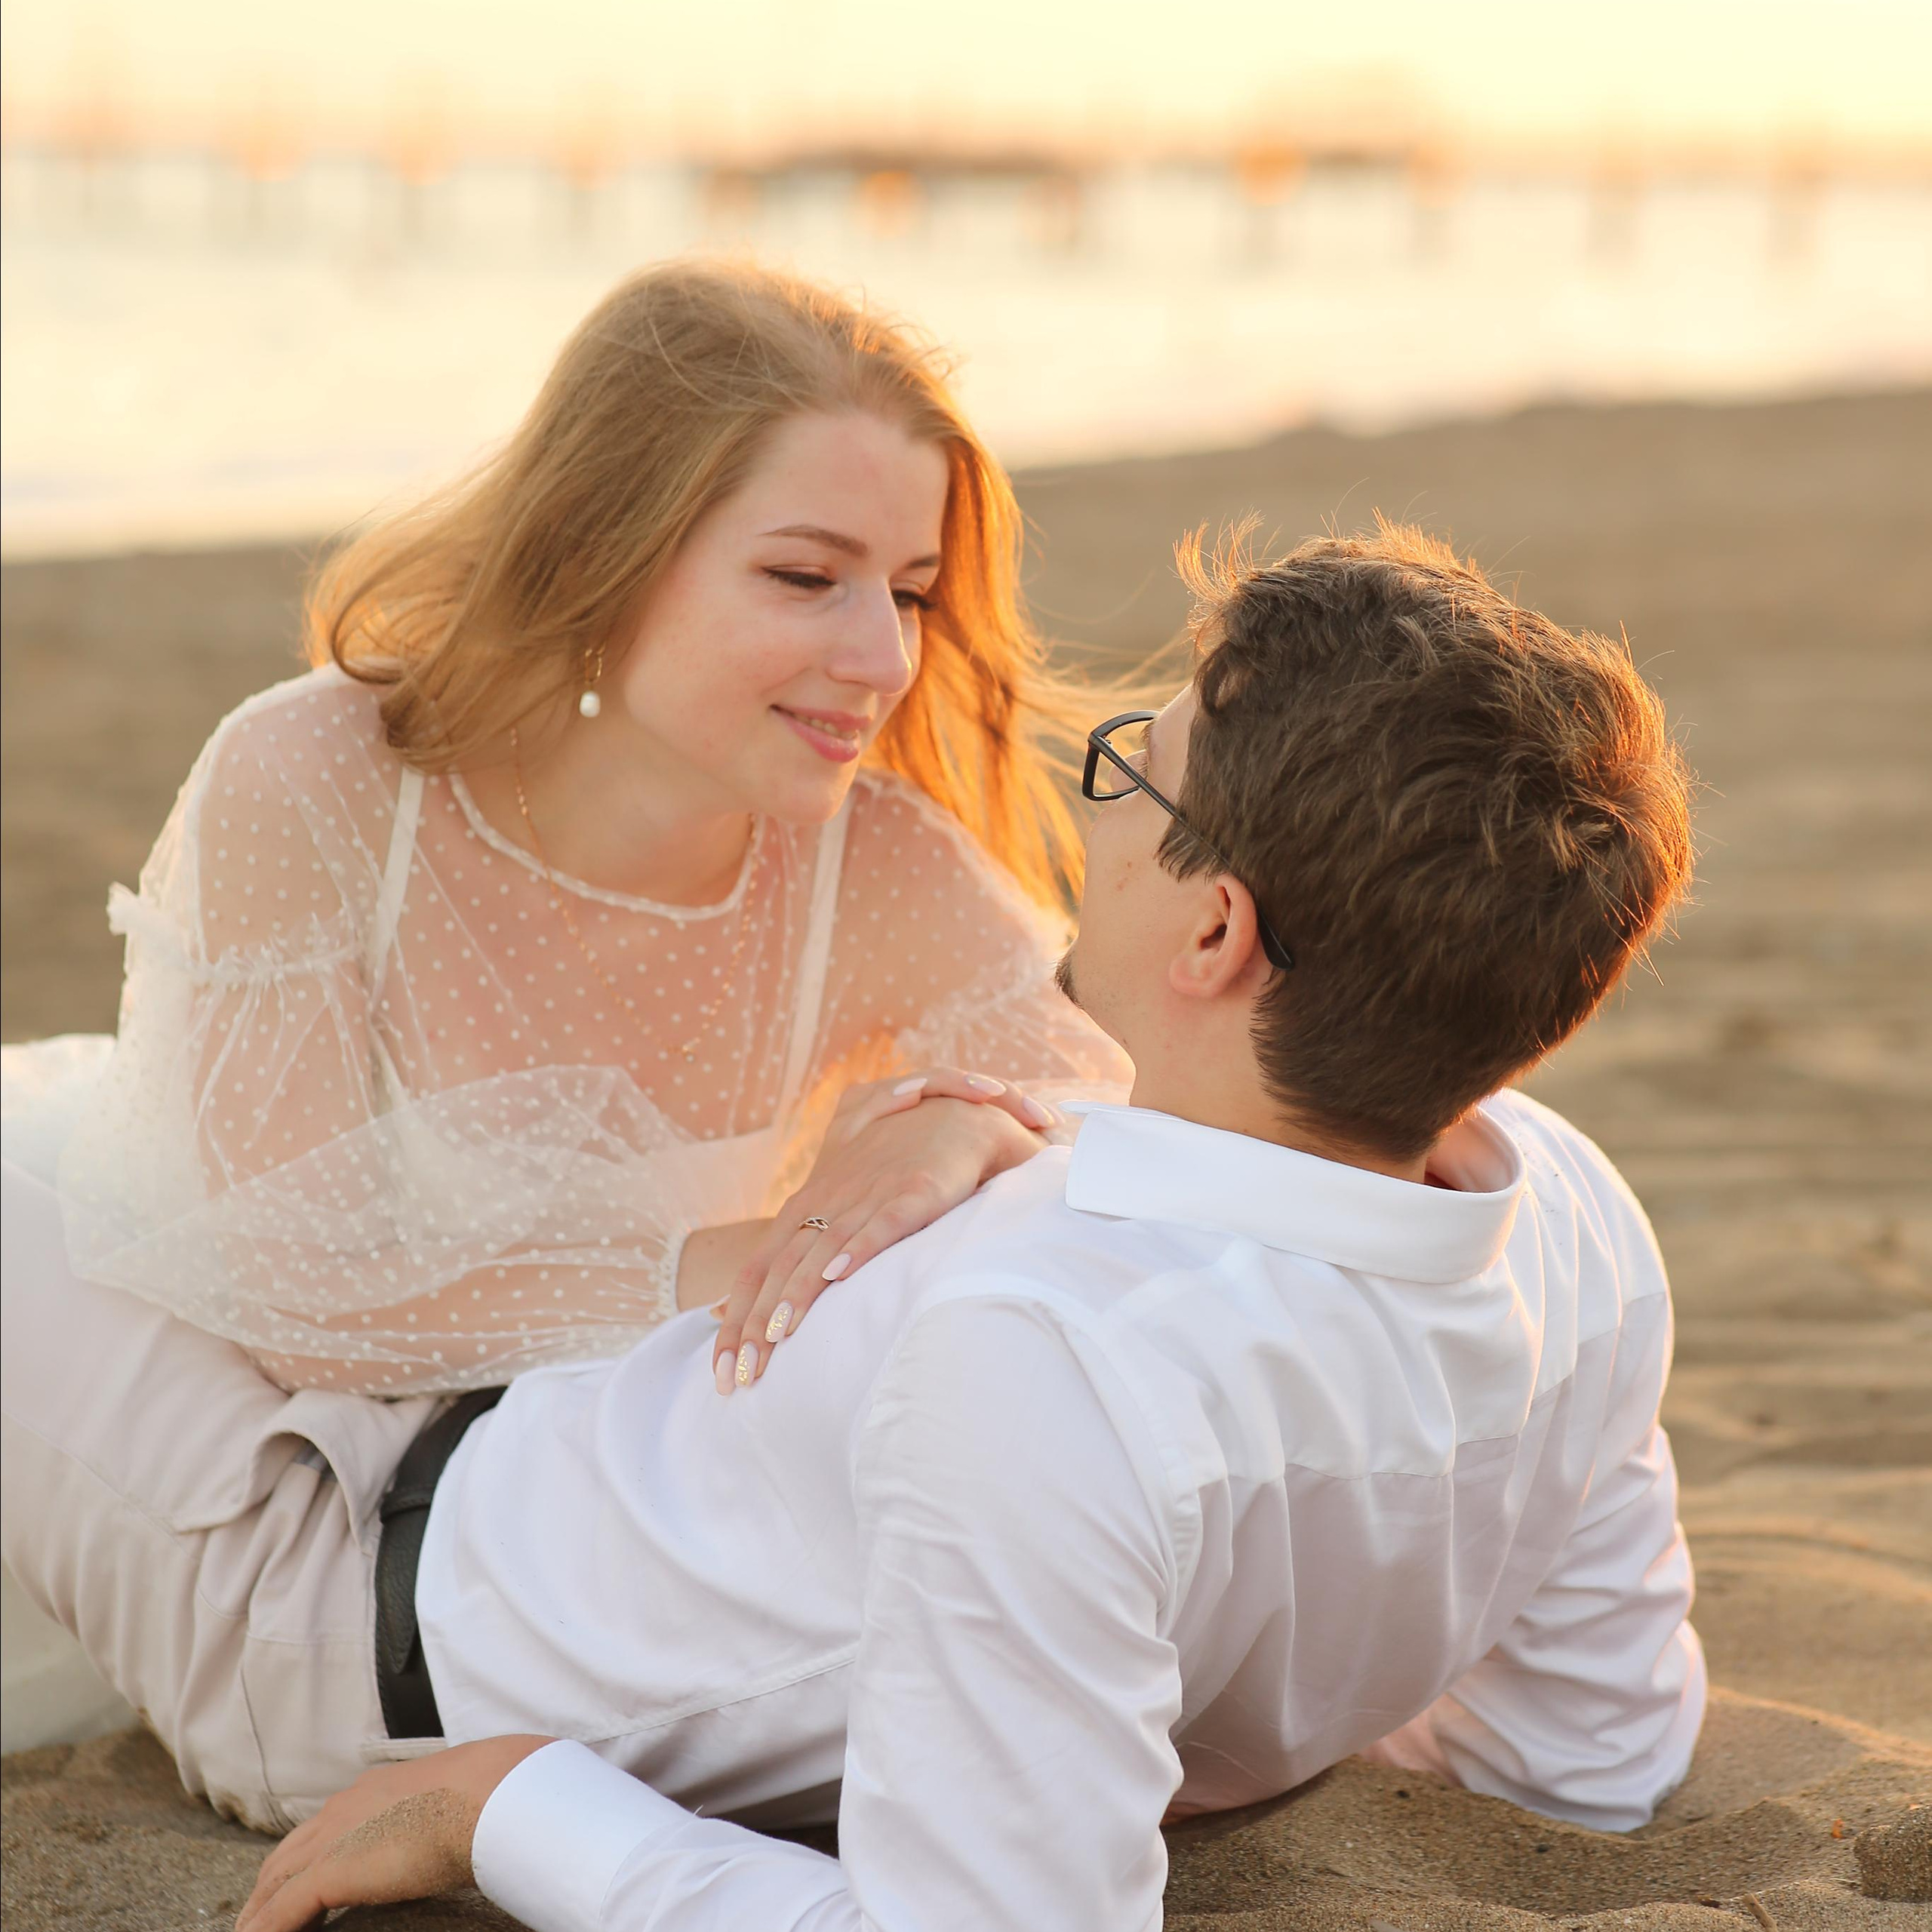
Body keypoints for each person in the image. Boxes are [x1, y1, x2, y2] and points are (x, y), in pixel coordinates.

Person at [2, 525, 1706, 1932]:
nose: (1086, 808)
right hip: (513, 1444)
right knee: (101, 1120)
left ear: (1212, 931)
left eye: (1132, 769)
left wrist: (515, 1804)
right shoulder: (1563, 1207)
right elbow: (1590, 1760)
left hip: (332, 1615)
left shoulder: (1047, 1359)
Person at [0, 259, 1131, 1403]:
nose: (886, 663)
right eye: (805, 576)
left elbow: (1126, 1122)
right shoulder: (316, 779)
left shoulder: (877, 865)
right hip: (225, 1427)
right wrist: (739, 1259)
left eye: (909, 594)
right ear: (603, 554)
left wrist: (970, 1135)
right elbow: (303, 1296)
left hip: (598, 1475)